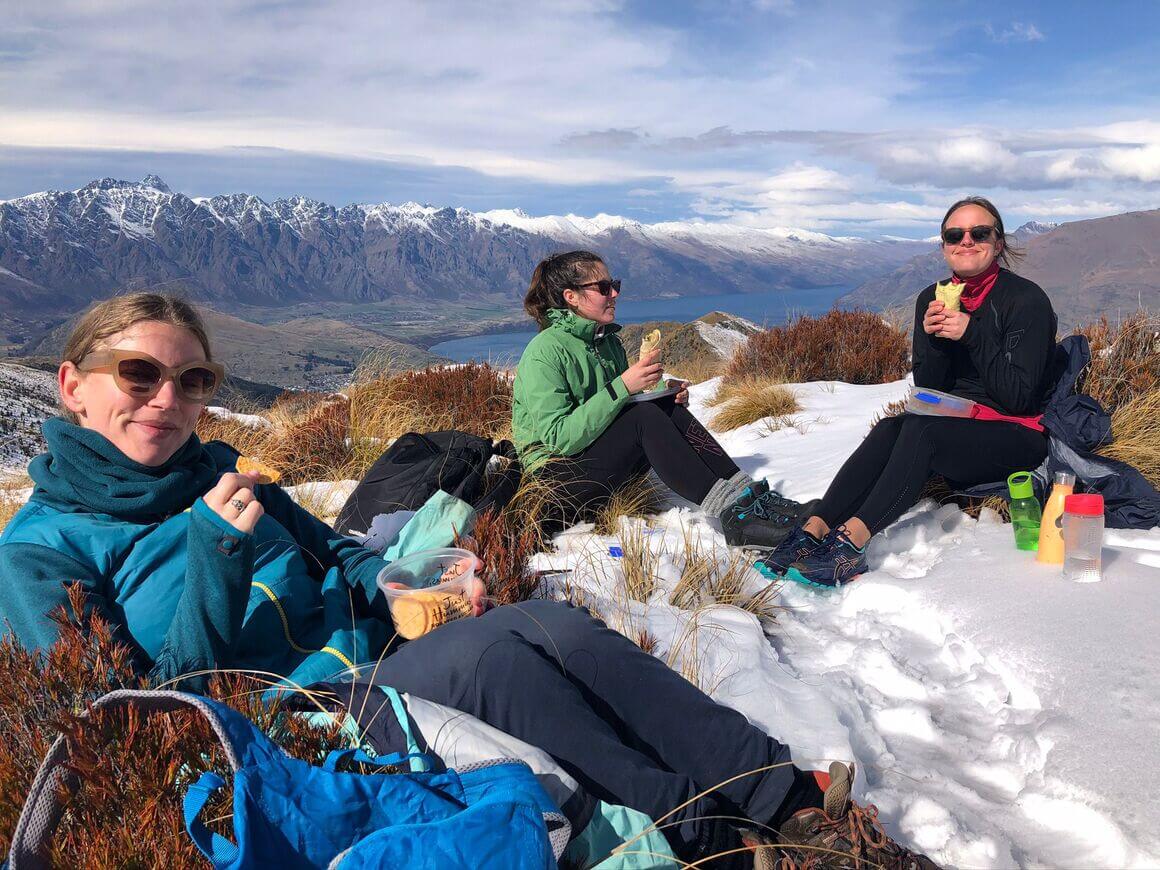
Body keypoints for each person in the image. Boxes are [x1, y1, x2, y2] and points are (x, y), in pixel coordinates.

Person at [0, 293, 936, 868]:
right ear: (72, 386)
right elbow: (137, 723)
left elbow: (344, 558)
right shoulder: (46, 548)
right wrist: (210, 558)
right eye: (137, 375)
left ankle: (792, 801)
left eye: (191, 380)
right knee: (506, 663)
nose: (168, 401)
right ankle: (712, 845)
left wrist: (402, 593)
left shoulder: (221, 475)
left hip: (369, 659)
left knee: (552, 630)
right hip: (293, 718)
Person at [758, 197, 1056, 588]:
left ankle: (852, 544)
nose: (966, 241)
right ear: (944, 245)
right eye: (955, 235)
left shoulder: (1025, 300)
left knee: (921, 431)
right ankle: (813, 529)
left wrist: (972, 334)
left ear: (998, 243)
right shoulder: (931, 299)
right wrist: (934, 341)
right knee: (891, 428)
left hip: (1018, 433)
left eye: (979, 233)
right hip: (959, 420)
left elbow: (1018, 397)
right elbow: (930, 388)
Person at [511, 250, 816, 547]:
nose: (614, 294)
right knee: (645, 418)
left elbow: (615, 413)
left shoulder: (606, 343)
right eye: (604, 288)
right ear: (571, 297)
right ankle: (735, 517)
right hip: (551, 486)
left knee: (662, 407)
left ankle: (749, 497)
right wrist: (623, 388)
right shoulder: (544, 352)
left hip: (590, 464)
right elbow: (559, 438)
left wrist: (661, 396)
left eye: (614, 285)